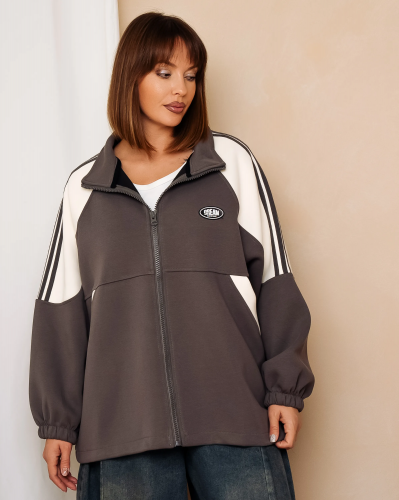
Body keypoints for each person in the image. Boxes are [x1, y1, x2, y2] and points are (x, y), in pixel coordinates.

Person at [29, 11, 315, 500]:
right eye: (164, 73)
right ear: (131, 77)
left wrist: (284, 388)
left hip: (235, 414)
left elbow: (275, 281)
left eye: (191, 75)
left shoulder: (230, 165)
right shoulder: (85, 188)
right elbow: (62, 313)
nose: (181, 88)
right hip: (122, 426)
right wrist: (58, 422)